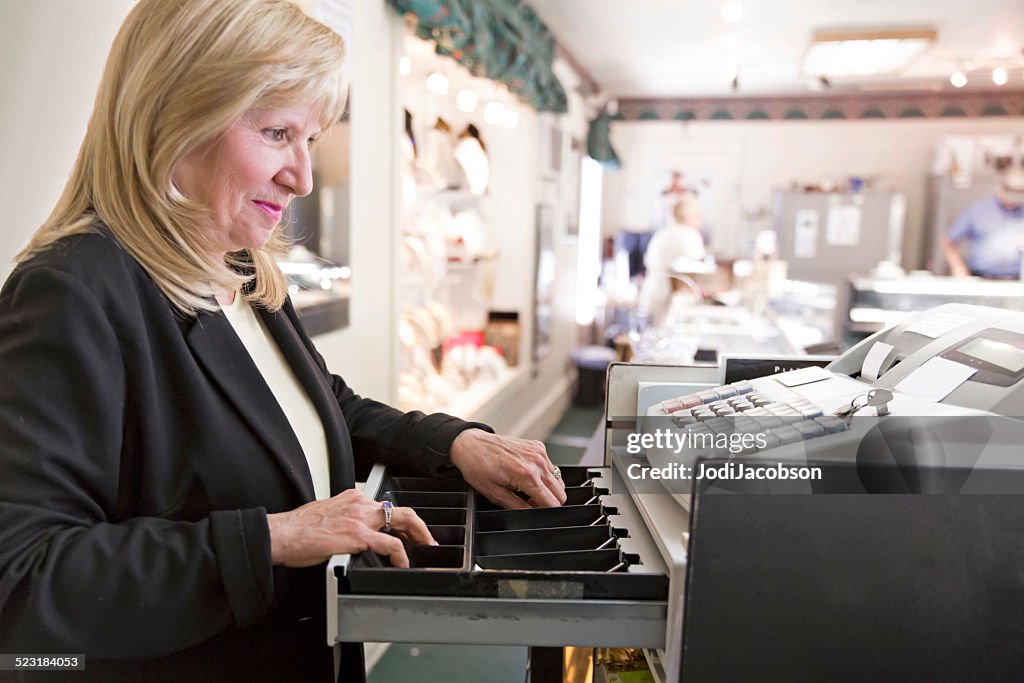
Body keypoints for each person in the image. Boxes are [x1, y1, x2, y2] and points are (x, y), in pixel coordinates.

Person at [0, 1, 565, 680]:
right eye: (275, 133)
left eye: (311, 139)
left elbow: (320, 408)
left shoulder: (236, 264)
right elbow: (25, 582)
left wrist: (452, 442)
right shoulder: (73, 290)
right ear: (175, 113)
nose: (301, 175)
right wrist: (274, 537)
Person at [941, 168, 1024, 279]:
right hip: (982, 278)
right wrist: (958, 267)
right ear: (1000, 189)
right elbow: (948, 241)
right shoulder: (978, 210)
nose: (1012, 203)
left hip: (1018, 280)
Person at [638, 192, 707, 320]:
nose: (701, 219)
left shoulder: (664, 232)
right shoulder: (688, 234)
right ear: (687, 216)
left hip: (650, 292)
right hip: (664, 295)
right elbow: (700, 267)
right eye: (697, 215)